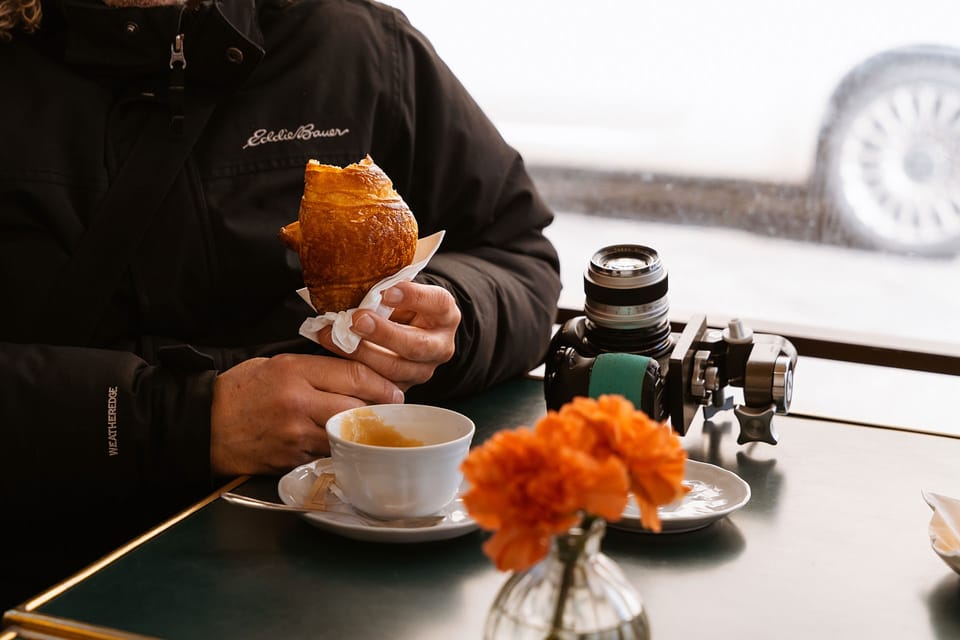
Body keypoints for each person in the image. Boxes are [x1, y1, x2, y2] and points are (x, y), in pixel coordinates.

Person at [0, 0, 561, 608]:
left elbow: (516, 253)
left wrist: (449, 318)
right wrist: (182, 421)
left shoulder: (358, 46)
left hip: (355, 569)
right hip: (55, 575)